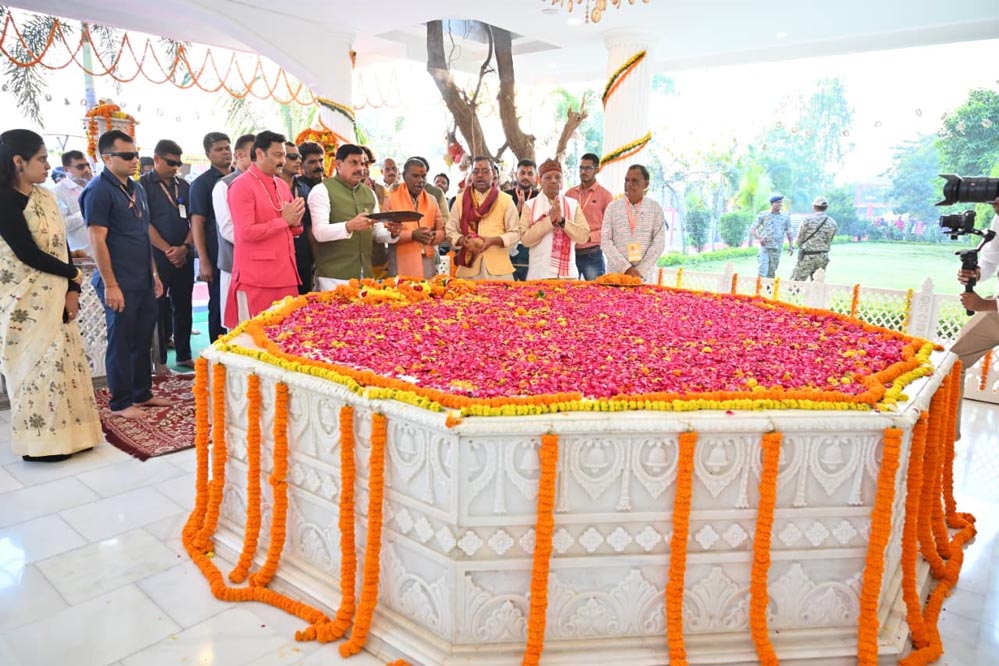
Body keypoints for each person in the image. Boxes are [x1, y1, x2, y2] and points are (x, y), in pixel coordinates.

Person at [0, 129, 103, 461]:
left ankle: (75, 436)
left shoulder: (45, 198)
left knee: (63, 364)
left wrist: (73, 288)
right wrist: (73, 275)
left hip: (57, 294)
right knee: (36, 369)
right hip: (23, 302)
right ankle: (41, 444)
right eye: (42, 159)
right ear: (19, 161)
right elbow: (26, 253)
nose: (48, 166)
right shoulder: (4, 199)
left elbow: (63, 247)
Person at [81, 130, 167, 419]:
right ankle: (120, 402)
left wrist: (154, 273)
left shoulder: (136, 188)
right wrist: (110, 284)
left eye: (136, 154)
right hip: (118, 280)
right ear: (107, 158)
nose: (135, 160)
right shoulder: (98, 190)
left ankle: (142, 393)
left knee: (143, 338)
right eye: (127, 155)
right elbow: (97, 239)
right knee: (122, 340)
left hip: (142, 276)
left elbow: (142, 234)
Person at [225, 131, 304, 327]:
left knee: (288, 334)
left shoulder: (281, 185)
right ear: (260, 153)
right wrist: (284, 221)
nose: (283, 161)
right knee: (257, 336)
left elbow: (291, 229)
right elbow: (246, 232)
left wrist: (295, 223)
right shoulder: (241, 186)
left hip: (286, 273)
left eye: (284, 155)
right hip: (257, 278)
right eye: (278, 155)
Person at [307, 144, 400, 289]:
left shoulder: (369, 193)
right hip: (334, 277)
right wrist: (348, 226)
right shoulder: (321, 190)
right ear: (338, 164)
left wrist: (392, 233)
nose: (360, 168)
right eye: (354, 163)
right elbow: (319, 232)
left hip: (366, 275)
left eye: (362, 163)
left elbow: (377, 232)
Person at [140, 139, 194, 369]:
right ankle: (160, 360)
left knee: (184, 306)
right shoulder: (142, 186)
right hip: (157, 257)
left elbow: (194, 220)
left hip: (184, 253)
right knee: (158, 308)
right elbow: (144, 223)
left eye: (178, 163)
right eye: (171, 163)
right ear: (157, 159)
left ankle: (184, 354)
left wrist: (185, 248)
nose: (175, 168)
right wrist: (167, 250)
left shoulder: (185, 186)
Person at [951, 196, 999, 438]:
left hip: (993, 306)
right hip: (995, 312)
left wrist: (984, 304)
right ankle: (948, 436)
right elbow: (991, 258)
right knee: (953, 363)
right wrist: (977, 273)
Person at [446, 156, 519, 280]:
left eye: (485, 171)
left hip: (499, 271)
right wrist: (463, 240)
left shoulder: (506, 200)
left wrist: (494, 240)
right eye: (476, 171)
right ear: (471, 175)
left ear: (493, 174)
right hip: (468, 269)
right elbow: (450, 230)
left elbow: (515, 233)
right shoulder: (460, 200)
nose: (480, 175)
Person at [189, 132, 232, 341]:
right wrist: (204, 261)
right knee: (218, 304)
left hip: (236, 254)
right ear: (208, 154)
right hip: (215, 255)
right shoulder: (202, 184)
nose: (225, 152)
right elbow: (197, 223)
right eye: (219, 149)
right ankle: (217, 351)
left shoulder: (239, 178)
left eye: (227, 148)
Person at [518, 159, 590, 279]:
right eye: (548, 177)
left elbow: (583, 237)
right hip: (539, 275)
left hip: (568, 277)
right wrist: (549, 221)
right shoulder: (529, 206)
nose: (553, 181)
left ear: (562, 181)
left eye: (557, 177)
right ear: (539, 181)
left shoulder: (573, 204)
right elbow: (525, 240)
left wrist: (562, 221)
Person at [214, 133, 255, 326]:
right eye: (254, 155)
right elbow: (228, 230)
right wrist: (264, 240)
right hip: (236, 266)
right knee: (239, 327)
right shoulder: (224, 185)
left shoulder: (271, 183)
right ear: (239, 155)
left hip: (265, 268)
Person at [601, 164, 665, 283]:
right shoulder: (613, 207)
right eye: (627, 180)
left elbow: (659, 243)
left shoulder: (655, 208)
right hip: (616, 275)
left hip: (644, 276)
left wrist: (639, 270)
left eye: (635, 181)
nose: (629, 184)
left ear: (646, 184)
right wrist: (626, 268)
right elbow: (605, 241)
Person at [384, 157, 445, 278]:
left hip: (427, 262)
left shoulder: (432, 200)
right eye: (415, 176)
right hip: (401, 263)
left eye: (423, 176)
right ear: (404, 176)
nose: (420, 180)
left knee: (427, 289)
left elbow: (442, 231)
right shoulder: (391, 199)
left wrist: (433, 236)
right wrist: (412, 235)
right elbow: (385, 233)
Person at [566, 152, 613, 280]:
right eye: (581, 168)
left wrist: (589, 237)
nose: (583, 171)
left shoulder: (605, 196)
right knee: (568, 290)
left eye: (588, 168)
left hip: (592, 254)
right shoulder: (570, 194)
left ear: (597, 170)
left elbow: (610, 228)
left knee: (595, 290)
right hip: (570, 254)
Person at [279, 141, 314, 293]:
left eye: (299, 157)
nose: (298, 161)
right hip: (278, 259)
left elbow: (310, 226)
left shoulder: (305, 189)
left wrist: (315, 258)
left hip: (303, 257)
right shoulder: (269, 188)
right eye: (293, 157)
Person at [503, 159, 538, 281]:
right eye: (522, 173)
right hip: (507, 251)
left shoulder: (539, 197)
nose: (525, 177)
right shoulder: (504, 197)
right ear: (515, 175)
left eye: (530, 173)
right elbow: (501, 224)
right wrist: (517, 210)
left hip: (531, 251)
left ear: (535, 177)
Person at [53, 150, 94, 256]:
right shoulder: (58, 192)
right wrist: (86, 212)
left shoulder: (95, 185)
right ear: (66, 169)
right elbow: (61, 225)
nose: (86, 170)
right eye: (80, 167)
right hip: (83, 254)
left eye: (87, 165)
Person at [790, 195, 838, 281]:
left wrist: (803, 246)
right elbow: (829, 240)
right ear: (826, 207)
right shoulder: (832, 223)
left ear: (814, 207)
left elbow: (799, 239)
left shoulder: (807, 220)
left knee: (795, 283)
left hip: (807, 256)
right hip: (823, 256)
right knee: (818, 283)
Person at [750, 194, 794, 278]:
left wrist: (791, 246)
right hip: (765, 248)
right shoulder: (763, 215)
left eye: (781, 202)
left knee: (771, 273)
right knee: (762, 271)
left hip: (776, 249)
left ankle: (769, 287)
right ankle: (760, 286)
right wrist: (760, 238)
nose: (780, 204)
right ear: (772, 204)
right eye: (777, 202)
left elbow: (789, 232)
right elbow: (752, 229)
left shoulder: (785, 217)